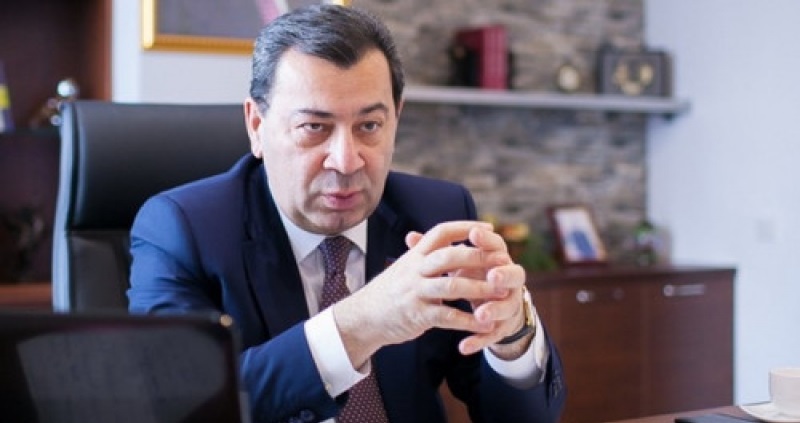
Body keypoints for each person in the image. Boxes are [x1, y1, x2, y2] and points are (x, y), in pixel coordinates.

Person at [128, 5, 566, 423]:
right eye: (314, 128)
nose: (346, 160)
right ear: (257, 126)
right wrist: (360, 324)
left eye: (369, 126)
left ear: (396, 119)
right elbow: (179, 403)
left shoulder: (437, 215)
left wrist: (511, 337)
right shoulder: (183, 229)